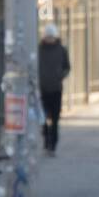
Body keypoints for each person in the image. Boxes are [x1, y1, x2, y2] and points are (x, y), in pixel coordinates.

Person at [37, 23, 71, 155]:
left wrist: (60, 76)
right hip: (42, 89)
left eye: (52, 37)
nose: (49, 39)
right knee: (43, 118)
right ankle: (46, 140)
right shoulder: (39, 50)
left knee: (55, 118)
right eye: (48, 37)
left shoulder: (61, 50)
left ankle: (53, 145)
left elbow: (67, 67)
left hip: (56, 89)